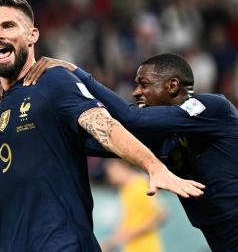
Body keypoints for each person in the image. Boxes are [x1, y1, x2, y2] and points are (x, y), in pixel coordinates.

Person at [0, 0, 204, 252]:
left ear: (32, 35)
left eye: (8, 26)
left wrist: (151, 165)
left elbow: (104, 126)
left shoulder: (53, 81)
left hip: (64, 244)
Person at [22, 53, 238, 251]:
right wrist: (27, 118)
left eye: (143, 85)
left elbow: (131, 118)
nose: (136, 92)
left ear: (172, 86)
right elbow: (90, 142)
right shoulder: (162, 137)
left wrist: (78, 74)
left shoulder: (212, 108)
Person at [100, 158, 166, 252]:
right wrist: (111, 241)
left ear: (123, 165)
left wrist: (132, 233)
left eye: (111, 171)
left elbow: (160, 215)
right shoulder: (124, 190)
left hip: (147, 248)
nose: (109, 177)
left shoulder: (140, 184)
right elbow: (128, 222)